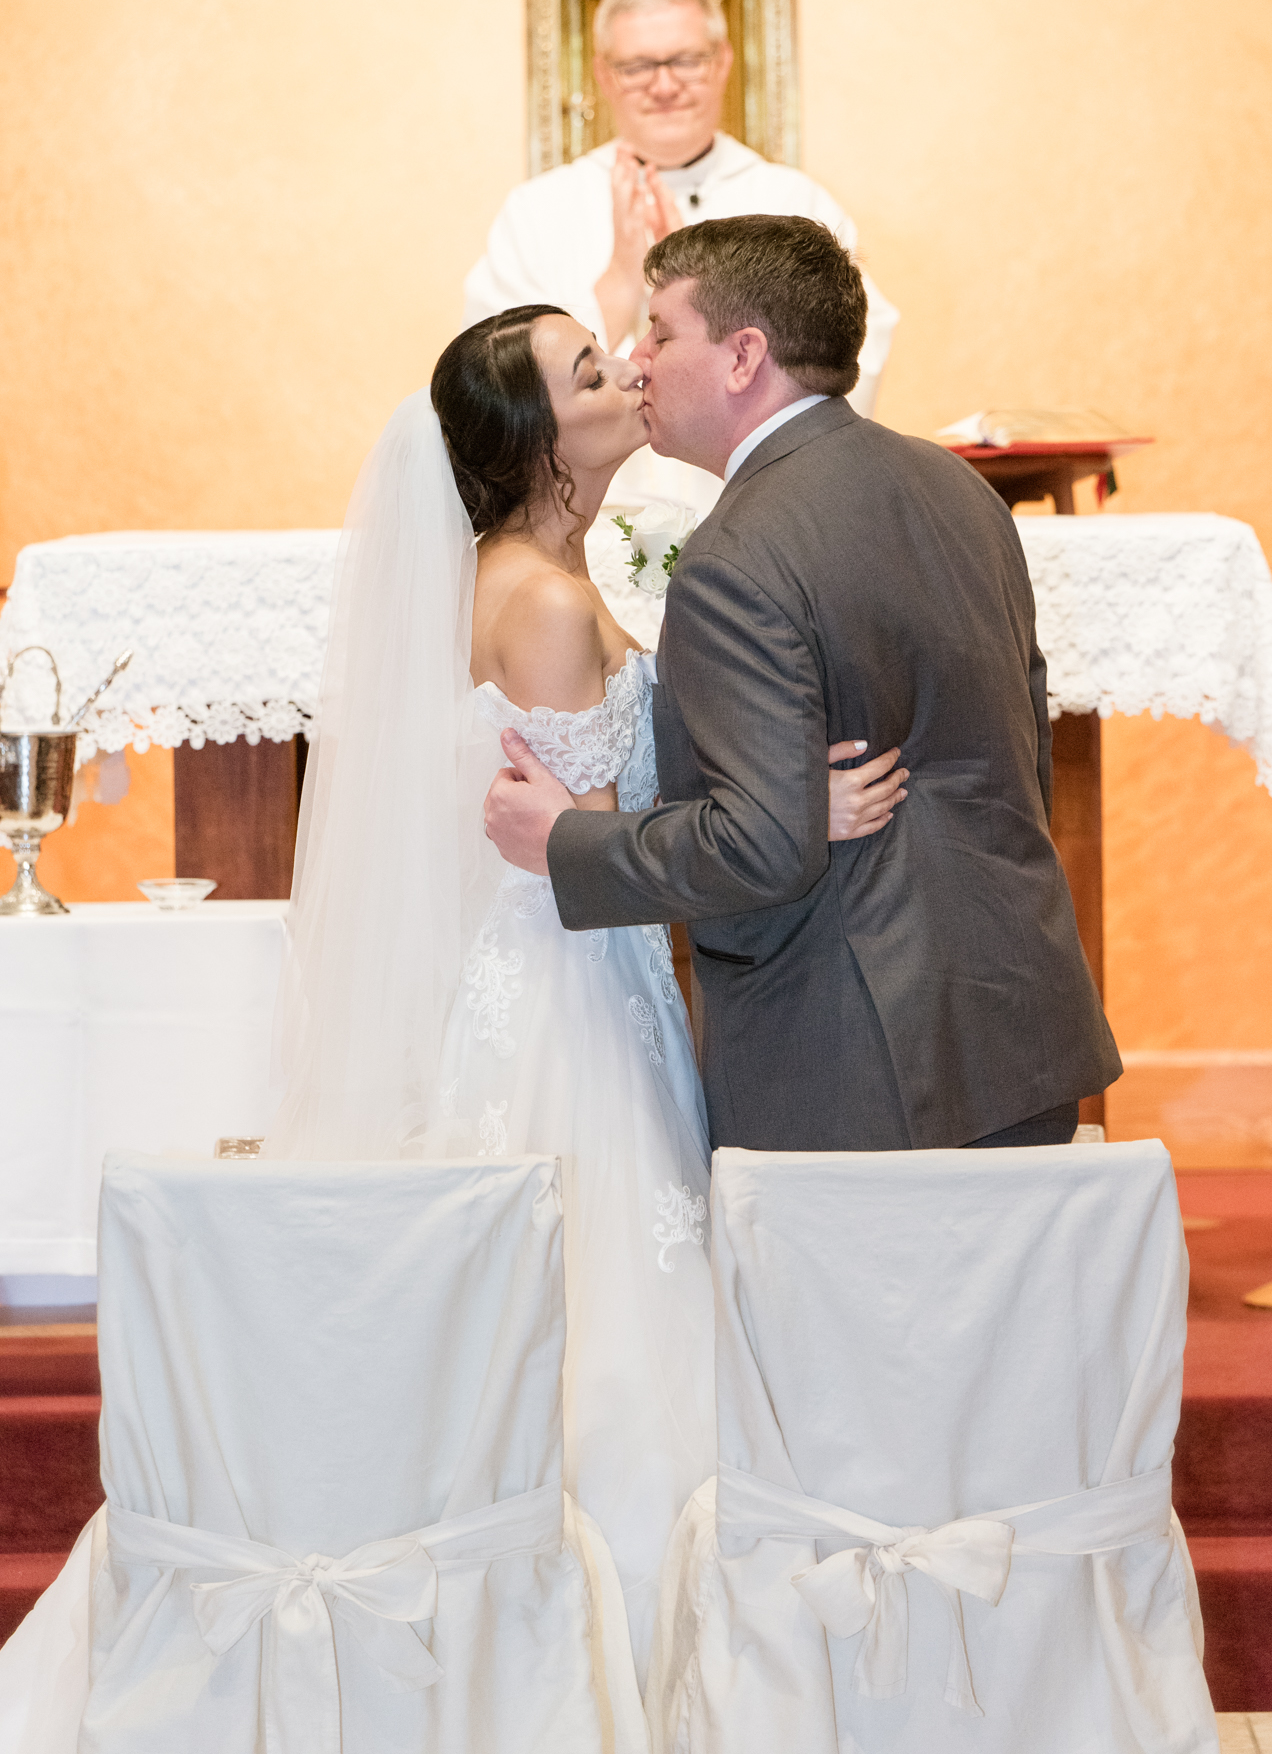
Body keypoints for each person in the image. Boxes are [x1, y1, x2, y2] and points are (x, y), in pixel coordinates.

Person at [263, 306, 905, 1683]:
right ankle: (600, 1634)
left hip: (573, 965)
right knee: (602, 1292)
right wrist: (803, 817)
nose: (623, 374)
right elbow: (594, 841)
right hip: (562, 986)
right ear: (539, 437)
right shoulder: (545, 602)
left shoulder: (545, 569)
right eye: (590, 371)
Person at [484, 216, 1124, 1153]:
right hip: (1019, 1015)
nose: (638, 359)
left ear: (744, 356)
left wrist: (566, 845)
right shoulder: (955, 488)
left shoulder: (737, 554)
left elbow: (762, 849)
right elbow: (1019, 751)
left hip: (852, 1046)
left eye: (660, 332)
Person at [462, 0, 899, 515]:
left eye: (686, 61)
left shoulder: (790, 201)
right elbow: (493, 380)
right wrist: (614, 297)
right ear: (603, 73)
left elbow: (850, 350)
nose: (664, 86)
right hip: (591, 520)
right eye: (638, 66)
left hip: (761, 509)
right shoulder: (538, 210)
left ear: (722, 62)